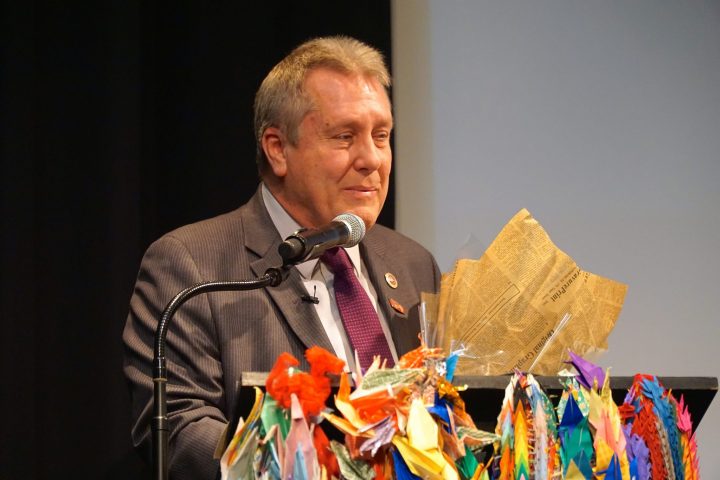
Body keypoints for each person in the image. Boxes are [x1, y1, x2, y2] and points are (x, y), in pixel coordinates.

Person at [123, 36, 440, 479]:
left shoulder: (412, 263)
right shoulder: (191, 264)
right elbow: (180, 428)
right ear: (277, 148)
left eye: (381, 136)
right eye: (344, 136)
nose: (372, 159)